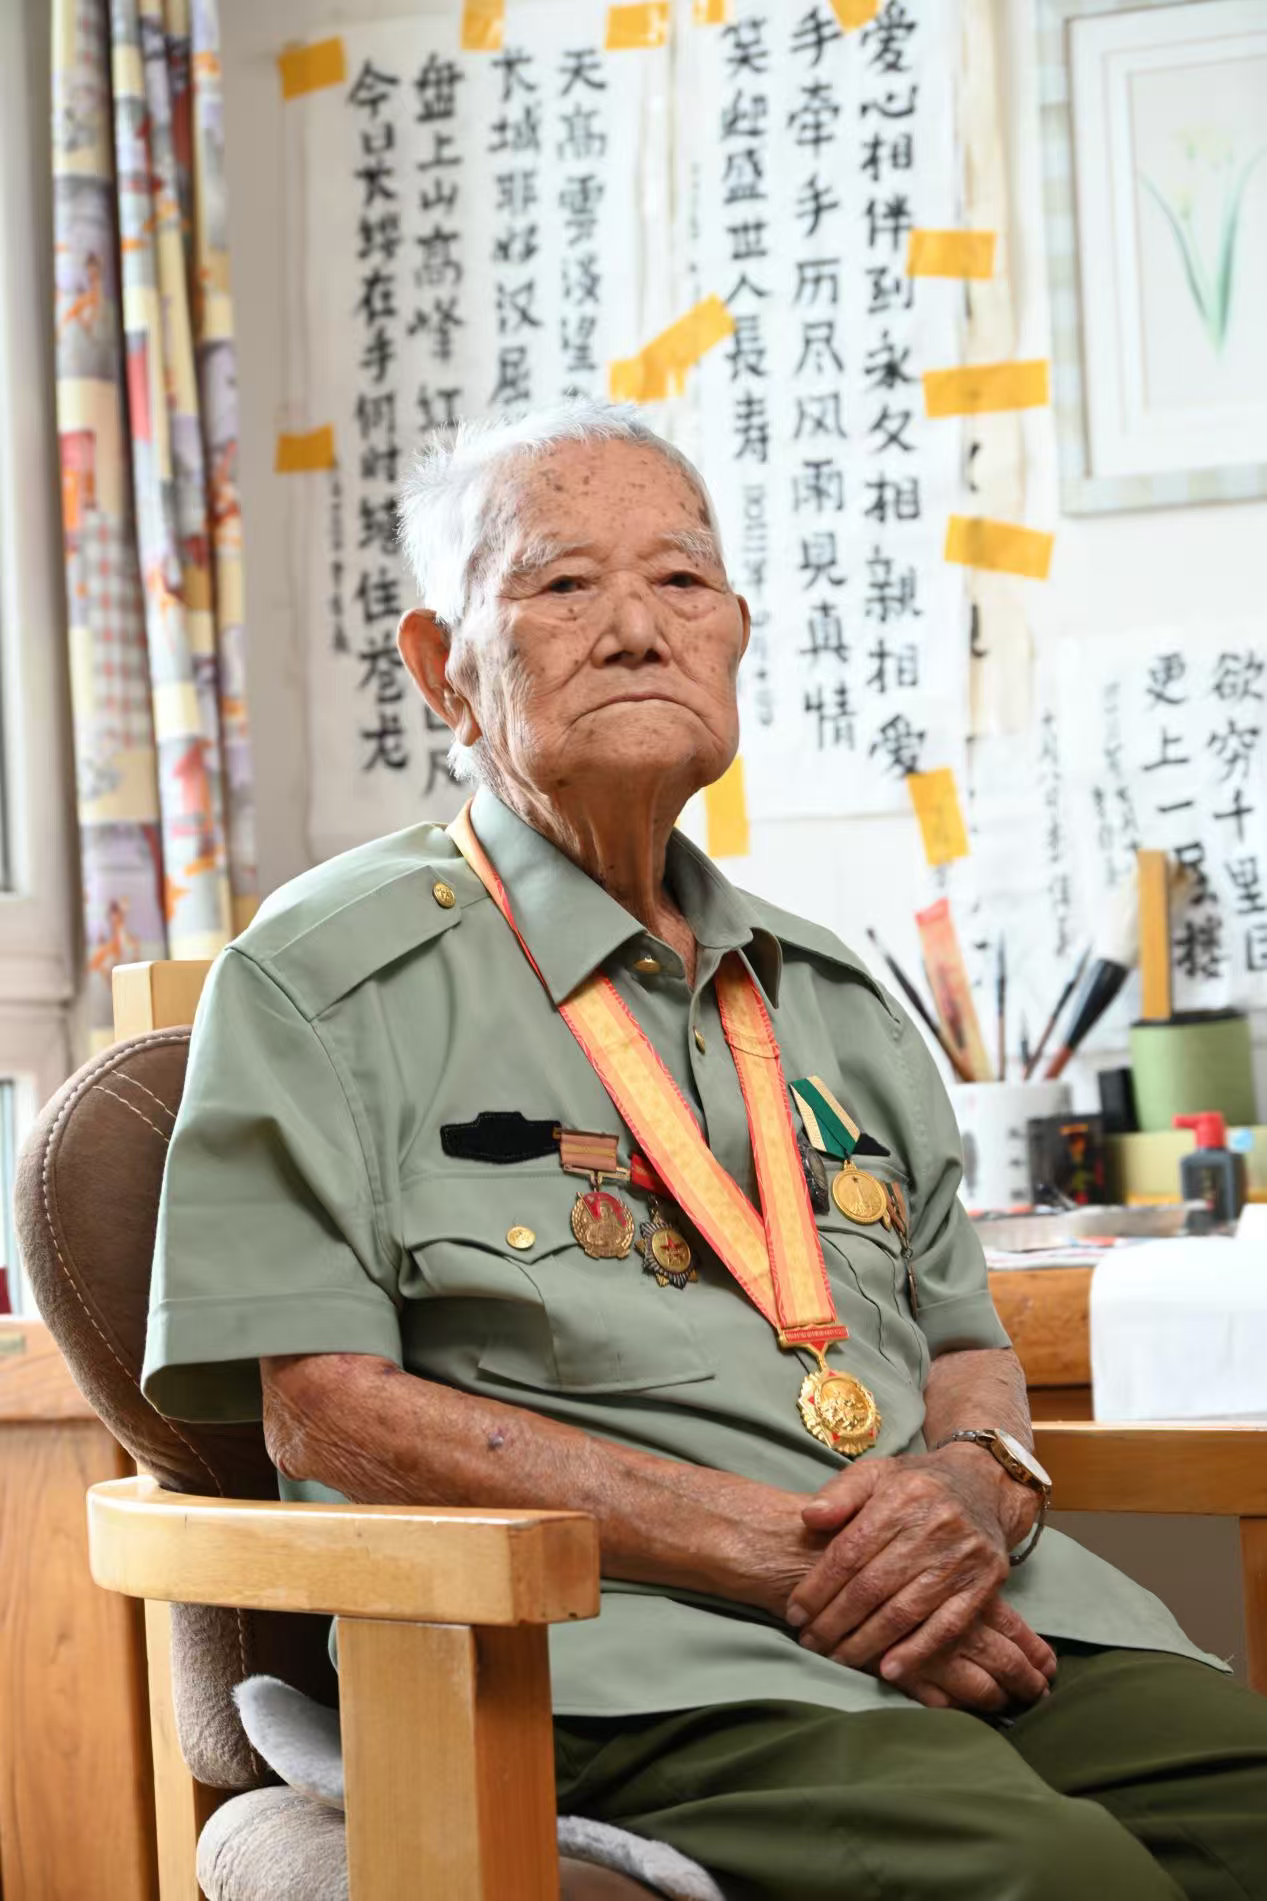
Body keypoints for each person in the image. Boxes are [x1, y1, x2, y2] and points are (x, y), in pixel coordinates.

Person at [144, 401, 1267, 1900]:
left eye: (681, 581)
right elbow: (326, 1413)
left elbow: (964, 1349)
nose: (635, 630)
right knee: (1061, 1879)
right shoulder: (323, 980)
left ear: (735, 635)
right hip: (627, 1651)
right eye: (562, 585)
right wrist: (789, 1558)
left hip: (979, 1612)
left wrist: (978, 1484)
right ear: (442, 668)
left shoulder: (835, 998)